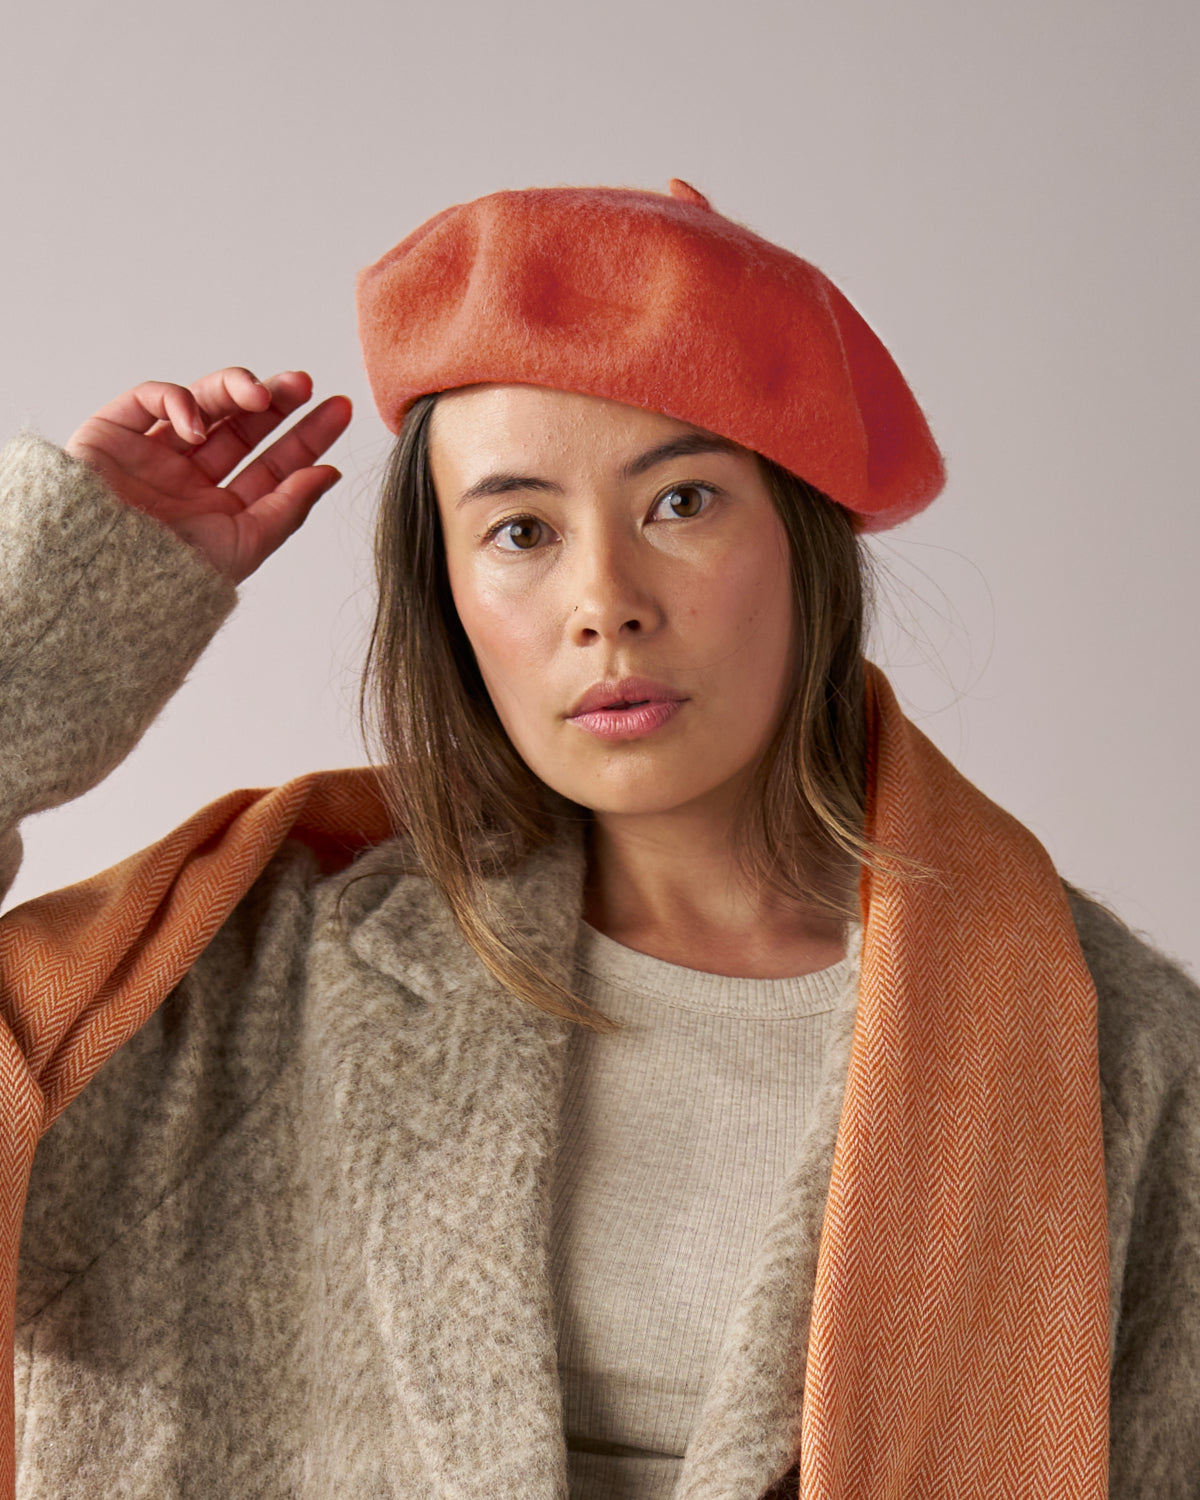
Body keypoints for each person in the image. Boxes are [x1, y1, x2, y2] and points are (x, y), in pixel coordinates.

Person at [0, 179, 1196, 1500]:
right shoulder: (241, 989)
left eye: (681, 503)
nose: (605, 603)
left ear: (803, 539)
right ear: (448, 594)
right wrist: (51, 627)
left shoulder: (1112, 1058)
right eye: (520, 530)